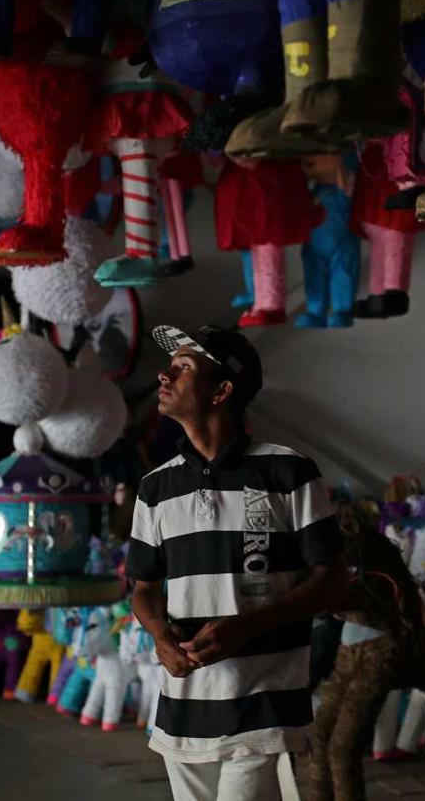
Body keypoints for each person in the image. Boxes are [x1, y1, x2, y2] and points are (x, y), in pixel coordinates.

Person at [128, 324, 345, 801]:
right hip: (184, 706)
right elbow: (142, 588)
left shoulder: (287, 471)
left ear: (222, 390)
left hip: (263, 703)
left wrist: (247, 627)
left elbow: (331, 581)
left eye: (183, 368)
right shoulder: (155, 488)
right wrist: (161, 635)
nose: (164, 375)